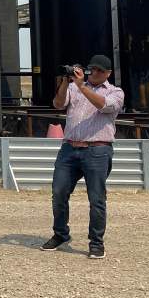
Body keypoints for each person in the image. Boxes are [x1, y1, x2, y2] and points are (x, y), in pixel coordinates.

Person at [41, 54, 125, 260]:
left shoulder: (116, 92)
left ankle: (96, 242)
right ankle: (60, 234)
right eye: (92, 69)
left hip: (97, 150)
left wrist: (82, 86)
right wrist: (65, 82)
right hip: (69, 148)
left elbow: (104, 106)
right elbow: (58, 104)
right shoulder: (74, 87)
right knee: (58, 192)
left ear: (108, 73)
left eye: (99, 70)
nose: (94, 73)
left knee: (96, 198)